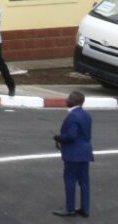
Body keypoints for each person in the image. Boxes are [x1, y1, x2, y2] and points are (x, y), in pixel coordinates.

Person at [53, 90, 93, 218]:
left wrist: (58, 138)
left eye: (69, 98)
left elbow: (71, 136)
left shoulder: (72, 116)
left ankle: (70, 208)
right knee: (84, 182)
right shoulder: (87, 115)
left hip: (73, 155)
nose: (66, 100)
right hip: (85, 153)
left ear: (73, 101)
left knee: (70, 181)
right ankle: (85, 209)